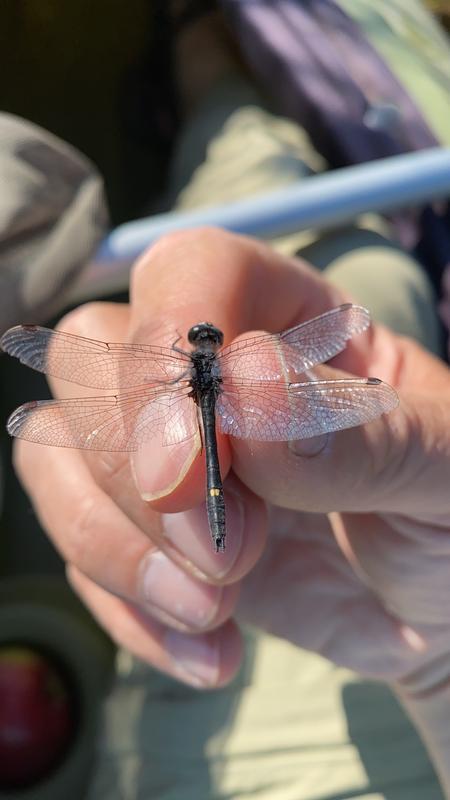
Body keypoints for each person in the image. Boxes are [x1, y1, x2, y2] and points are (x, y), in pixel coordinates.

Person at [8, 2, 450, 799]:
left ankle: (210, 79)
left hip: (204, 735)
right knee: (363, 267)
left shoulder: (190, 374)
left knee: (252, 187)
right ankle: (228, 95)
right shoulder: (246, 370)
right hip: (387, 670)